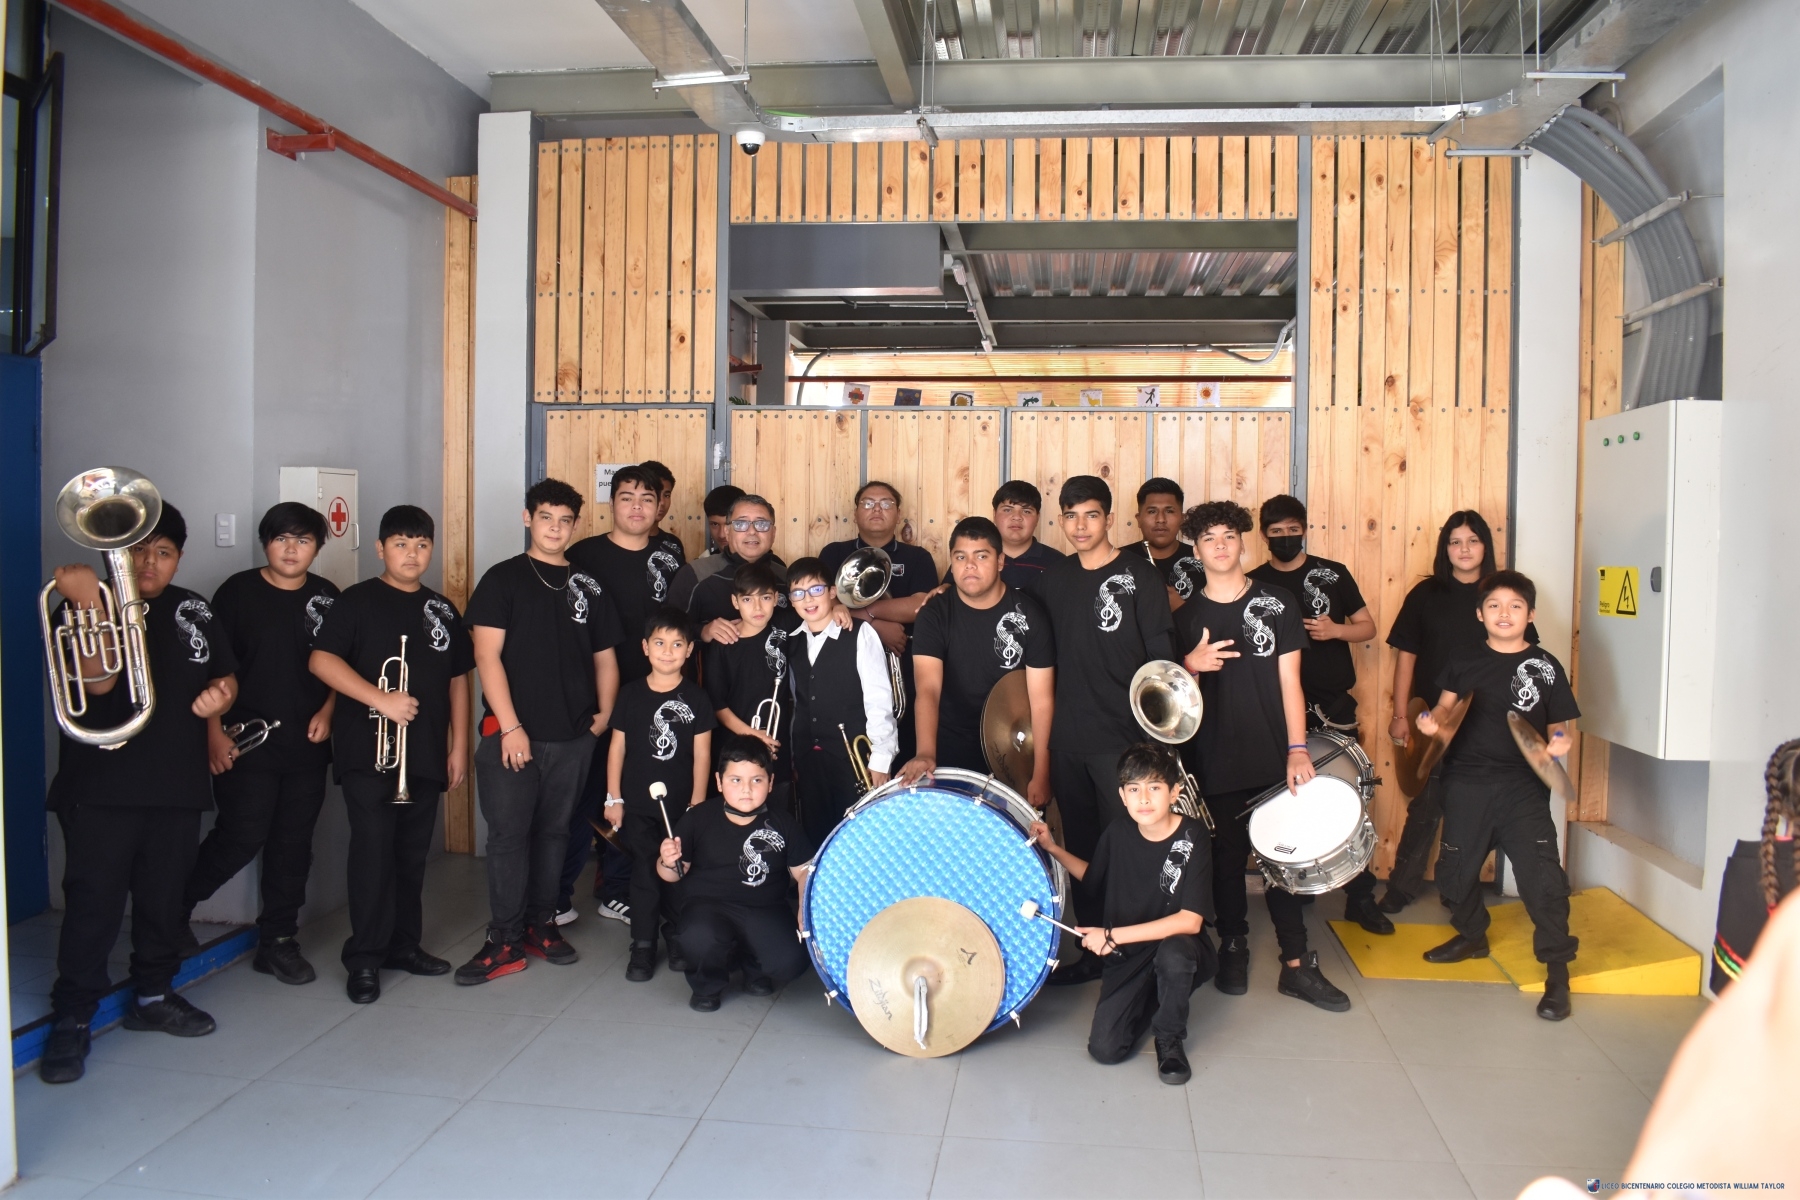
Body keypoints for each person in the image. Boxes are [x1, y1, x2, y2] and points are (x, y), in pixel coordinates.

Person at [39, 504, 239, 1084]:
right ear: (114, 553)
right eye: (136, 549)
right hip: (101, 789)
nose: (149, 562)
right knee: (94, 905)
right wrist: (89, 605)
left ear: (179, 558)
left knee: (162, 900)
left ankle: (153, 995)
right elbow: (100, 683)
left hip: (175, 784)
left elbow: (223, 675)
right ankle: (73, 1015)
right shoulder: (80, 604)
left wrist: (222, 699)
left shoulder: (193, 608)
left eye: (164, 552)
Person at [1178, 499, 1350, 1011]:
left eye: (1229, 536)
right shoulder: (1185, 618)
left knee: (1283, 858)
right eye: (1209, 539)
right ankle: (1233, 946)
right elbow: (1172, 700)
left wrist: (1297, 749)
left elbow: (1291, 682)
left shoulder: (1277, 602)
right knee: (1228, 861)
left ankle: (1296, 964)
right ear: (1196, 550)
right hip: (1214, 756)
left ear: (1243, 542)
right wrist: (1191, 665)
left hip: (1274, 754)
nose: (1220, 546)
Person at [458, 479, 621, 986]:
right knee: (509, 838)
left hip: (573, 736)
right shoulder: (502, 579)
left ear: (576, 525)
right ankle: (504, 940)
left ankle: (540, 924)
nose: (555, 528)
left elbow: (605, 658)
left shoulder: (587, 585)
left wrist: (601, 719)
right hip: (512, 736)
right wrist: (510, 727)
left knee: (555, 833)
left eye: (565, 520)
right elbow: (486, 656)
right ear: (528, 518)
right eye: (546, 517)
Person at [309, 505, 472, 1004]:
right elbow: (321, 660)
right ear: (380, 549)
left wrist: (458, 745)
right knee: (373, 853)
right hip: (368, 752)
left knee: (410, 855)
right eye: (401, 544)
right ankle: (364, 958)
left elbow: (458, 679)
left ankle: (404, 946)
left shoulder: (441, 609)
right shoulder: (356, 601)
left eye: (421, 545)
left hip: (423, 752)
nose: (412, 554)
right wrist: (380, 699)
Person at [183, 502, 341, 986]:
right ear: (265, 543)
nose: (291, 549)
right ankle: (171, 910)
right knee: (239, 836)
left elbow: (343, 663)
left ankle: (278, 942)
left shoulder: (327, 597)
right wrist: (213, 735)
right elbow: (213, 670)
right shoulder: (236, 593)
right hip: (245, 743)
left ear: (317, 547)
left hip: (307, 744)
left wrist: (329, 712)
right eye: (281, 539)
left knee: (293, 847)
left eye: (303, 540)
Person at [1414, 570, 1579, 1020]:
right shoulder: (1463, 658)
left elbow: (1560, 725)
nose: (1504, 613)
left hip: (1522, 789)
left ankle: (1558, 975)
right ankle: (1472, 935)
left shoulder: (1546, 666)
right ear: (1480, 613)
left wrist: (1560, 741)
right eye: (1494, 605)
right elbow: (1444, 707)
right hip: (1465, 783)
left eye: (1515, 606)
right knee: (1453, 875)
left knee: (1543, 883)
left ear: (1531, 614)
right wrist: (1431, 721)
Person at [1246, 494, 1390, 937]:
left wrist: (1336, 630)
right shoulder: (1254, 582)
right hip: (1276, 714)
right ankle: (1296, 890)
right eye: (1277, 532)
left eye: (1293, 530)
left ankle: (1360, 899)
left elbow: (1368, 626)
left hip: (1334, 710)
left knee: (1349, 802)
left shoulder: (1333, 573)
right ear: (1264, 535)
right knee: (1286, 803)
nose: (1286, 537)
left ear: (1305, 529)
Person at [1038, 475, 1176, 937]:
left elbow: (1161, 661)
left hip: (1124, 739)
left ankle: (1133, 947)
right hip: (1067, 739)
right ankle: (1093, 943)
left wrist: (1156, 743)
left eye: (1091, 515)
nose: (1080, 526)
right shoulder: (1054, 579)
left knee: (1129, 846)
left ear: (1110, 519)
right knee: (1082, 845)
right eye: (1071, 516)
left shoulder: (1141, 576)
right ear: (1062, 521)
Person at [1031, 744, 1216, 1086]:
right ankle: (1159, 995)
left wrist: (1111, 936)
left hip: (1178, 946)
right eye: (1134, 789)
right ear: (1122, 795)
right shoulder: (1118, 832)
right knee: (1105, 1049)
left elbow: (1190, 921)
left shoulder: (1194, 835)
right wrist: (1052, 848)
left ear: (1174, 792)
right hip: (1128, 955)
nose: (1143, 798)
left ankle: (1169, 1037)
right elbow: (1094, 877)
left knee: (1174, 956)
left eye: (1154, 787)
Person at [1381, 510, 1536, 912]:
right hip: (1435, 721)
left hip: (1490, 726)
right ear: (1445, 548)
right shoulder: (1425, 595)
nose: (1464, 549)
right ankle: (1401, 887)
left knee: (1474, 812)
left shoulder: (1501, 595)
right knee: (1426, 807)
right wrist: (1400, 715)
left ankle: (1458, 893)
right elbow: (1406, 658)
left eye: (1473, 540)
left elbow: (1525, 657)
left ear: (1485, 546)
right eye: (1455, 541)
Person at [563, 465, 681, 924]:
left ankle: (619, 889)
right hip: (594, 698)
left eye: (647, 499)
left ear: (659, 506)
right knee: (587, 794)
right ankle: (558, 895)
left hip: (653, 694)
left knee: (636, 794)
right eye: (627, 497)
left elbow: (680, 620)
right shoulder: (583, 555)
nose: (637, 507)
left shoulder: (670, 554)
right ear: (611, 503)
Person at [900, 516, 1054, 810]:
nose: (969, 565)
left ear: (1000, 561)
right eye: (961, 557)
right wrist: (926, 753)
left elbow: (1042, 701)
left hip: (1014, 750)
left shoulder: (1029, 616)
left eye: (981, 556)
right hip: (949, 746)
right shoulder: (934, 613)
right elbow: (928, 689)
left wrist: (1041, 774)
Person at [660, 735, 814, 1011]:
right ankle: (707, 985)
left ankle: (753, 965)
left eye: (757, 780)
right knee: (699, 936)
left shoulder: (783, 822)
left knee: (792, 961)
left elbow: (804, 871)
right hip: (707, 908)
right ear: (719, 782)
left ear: (770, 782)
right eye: (735, 780)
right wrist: (667, 860)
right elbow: (671, 875)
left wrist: (804, 906)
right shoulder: (698, 818)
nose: (746, 789)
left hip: (764, 908)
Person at [606, 606, 716, 982]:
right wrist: (613, 798)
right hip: (637, 806)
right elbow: (617, 748)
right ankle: (643, 944)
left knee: (678, 870)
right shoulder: (630, 694)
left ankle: (677, 933)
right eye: (659, 643)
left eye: (677, 644)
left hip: (682, 807)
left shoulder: (697, 698)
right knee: (644, 871)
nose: (667, 651)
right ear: (645, 647)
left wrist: (697, 803)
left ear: (689, 650)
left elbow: (703, 754)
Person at [818, 481, 941, 763]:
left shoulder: (917, 557)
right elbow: (822, 605)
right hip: (845, 667)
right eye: (868, 503)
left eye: (886, 503)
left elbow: (920, 607)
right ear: (855, 513)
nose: (877, 509)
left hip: (904, 668)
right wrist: (874, 625)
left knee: (904, 750)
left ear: (898, 514)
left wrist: (864, 612)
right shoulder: (833, 553)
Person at [785, 557, 898, 847]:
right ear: (791, 600)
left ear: (833, 592)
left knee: (859, 838)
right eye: (798, 593)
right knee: (816, 837)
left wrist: (881, 758)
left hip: (853, 761)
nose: (808, 599)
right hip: (809, 761)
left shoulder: (859, 633)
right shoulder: (791, 641)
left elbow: (879, 698)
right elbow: (797, 703)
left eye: (816, 590)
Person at [702, 560, 796, 815]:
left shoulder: (784, 627)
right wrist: (754, 735)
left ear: (776, 599)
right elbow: (718, 705)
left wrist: (838, 606)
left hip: (776, 748)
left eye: (765, 598)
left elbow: (817, 611)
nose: (757, 607)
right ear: (735, 602)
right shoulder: (723, 644)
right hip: (736, 746)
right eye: (747, 599)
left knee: (777, 814)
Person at [1125, 478, 1203, 612]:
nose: (1160, 519)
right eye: (1152, 511)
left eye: (1169, 511)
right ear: (1139, 519)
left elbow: (1219, 618)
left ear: (1182, 519)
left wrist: (1181, 607)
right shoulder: (1118, 561)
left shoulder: (1203, 563)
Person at [670, 484, 746, 608]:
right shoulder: (695, 571)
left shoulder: (774, 568)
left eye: (728, 524)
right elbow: (671, 617)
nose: (722, 534)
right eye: (715, 524)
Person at [991, 480, 1066, 594]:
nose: (1017, 517)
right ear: (994, 514)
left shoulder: (1058, 564)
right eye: (1007, 510)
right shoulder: (977, 561)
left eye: (1026, 511)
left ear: (1037, 518)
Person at [637, 460, 687, 567]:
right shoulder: (619, 542)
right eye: (654, 494)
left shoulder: (674, 544)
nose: (662, 502)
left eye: (667, 495)